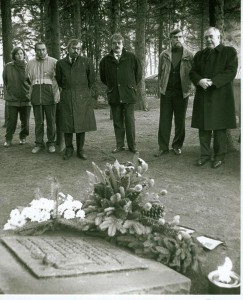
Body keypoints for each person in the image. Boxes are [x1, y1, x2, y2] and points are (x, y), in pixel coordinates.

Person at [190, 27, 238, 169]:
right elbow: (192, 72)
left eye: (211, 36)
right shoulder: (200, 54)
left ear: (219, 37)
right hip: (203, 94)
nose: (208, 40)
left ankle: (219, 156)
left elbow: (230, 71)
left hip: (220, 95)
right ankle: (204, 155)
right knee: (203, 127)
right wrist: (199, 81)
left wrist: (212, 82)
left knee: (219, 128)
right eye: (206, 38)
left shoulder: (229, 52)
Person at [99, 33, 142, 154]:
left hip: (128, 94)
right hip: (114, 94)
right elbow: (103, 77)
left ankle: (132, 146)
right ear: (111, 45)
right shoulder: (105, 60)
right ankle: (120, 145)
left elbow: (138, 75)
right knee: (117, 121)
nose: (117, 45)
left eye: (119, 43)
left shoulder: (131, 57)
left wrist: (129, 86)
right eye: (114, 43)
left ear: (123, 44)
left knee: (130, 121)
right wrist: (112, 87)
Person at [154, 28, 193, 157]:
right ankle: (163, 147)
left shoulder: (189, 55)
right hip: (167, 92)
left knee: (180, 121)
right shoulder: (164, 55)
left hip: (182, 92)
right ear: (170, 39)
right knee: (164, 120)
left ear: (183, 38)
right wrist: (161, 87)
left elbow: (193, 73)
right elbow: (160, 73)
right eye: (175, 37)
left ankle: (177, 146)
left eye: (180, 37)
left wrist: (189, 87)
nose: (178, 39)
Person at [55, 39, 97, 160]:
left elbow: (91, 79)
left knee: (81, 123)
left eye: (78, 48)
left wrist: (82, 91)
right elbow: (59, 80)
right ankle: (69, 149)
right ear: (68, 49)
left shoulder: (86, 62)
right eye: (74, 48)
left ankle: (80, 149)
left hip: (82, 97)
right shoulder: (61, 63)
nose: (76, 51)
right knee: (67, 123)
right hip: (67, 96)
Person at [26, 41, 60, 154]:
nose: (41, 52)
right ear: (35, 51)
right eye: (39, 50)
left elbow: (59, 80)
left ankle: (51, 143)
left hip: (50, 96)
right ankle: (39, 144)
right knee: (38, 122)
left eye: (43, 49)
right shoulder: (30, 63)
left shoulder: (54, 62)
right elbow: (27, 80)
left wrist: (56, 93)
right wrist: (30, 94)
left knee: (51, 121)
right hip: (36, 96)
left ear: (46, 50)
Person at [2, 47, 31, 147]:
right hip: (12, 99)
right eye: (17, 54)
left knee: (25, 122)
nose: (19, 55)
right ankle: (8, 139)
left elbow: (31, 81)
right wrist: (10, 92)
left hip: (26, 98)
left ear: (24, 55)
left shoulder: (28, 66)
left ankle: (22, 137)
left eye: (21, 53)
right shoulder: (8, 67)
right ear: (14, 55)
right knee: (11, 121)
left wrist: (28, 93)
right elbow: (5, 81)